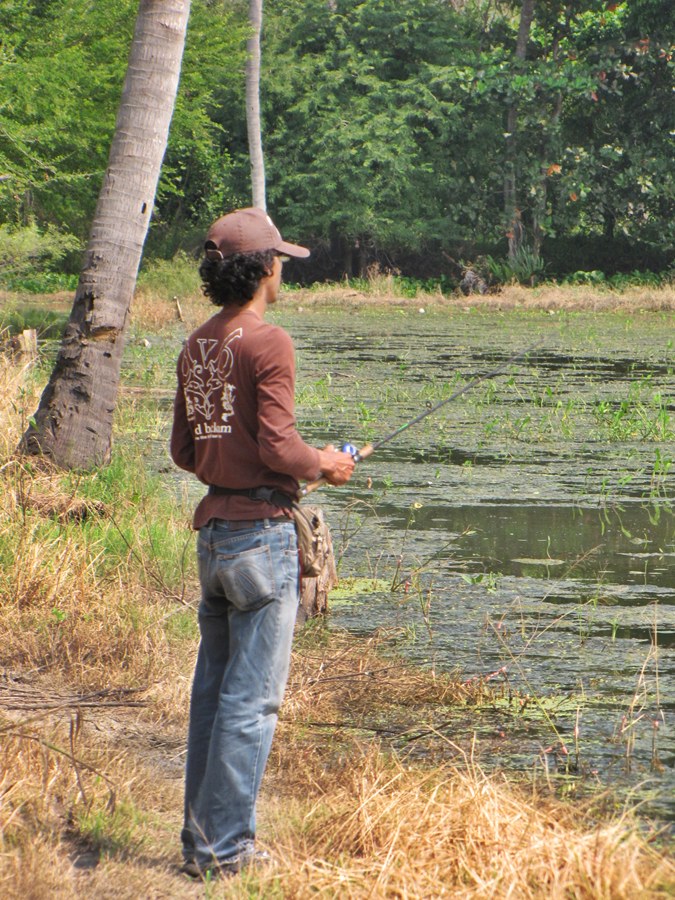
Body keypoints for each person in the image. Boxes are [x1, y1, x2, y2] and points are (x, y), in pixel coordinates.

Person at [170, 207, 354, 878]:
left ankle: (200, 843)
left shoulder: (197, 344)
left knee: (213, 698)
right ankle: (226, 853)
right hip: (259, 542)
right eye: (279, 260)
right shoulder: (268, 342)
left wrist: (240, 467)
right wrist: (323, 464)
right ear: (264, 269)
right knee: (252, 702)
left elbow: (183, 449)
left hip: (214, 537)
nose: (282, 271)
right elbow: (278, 444)